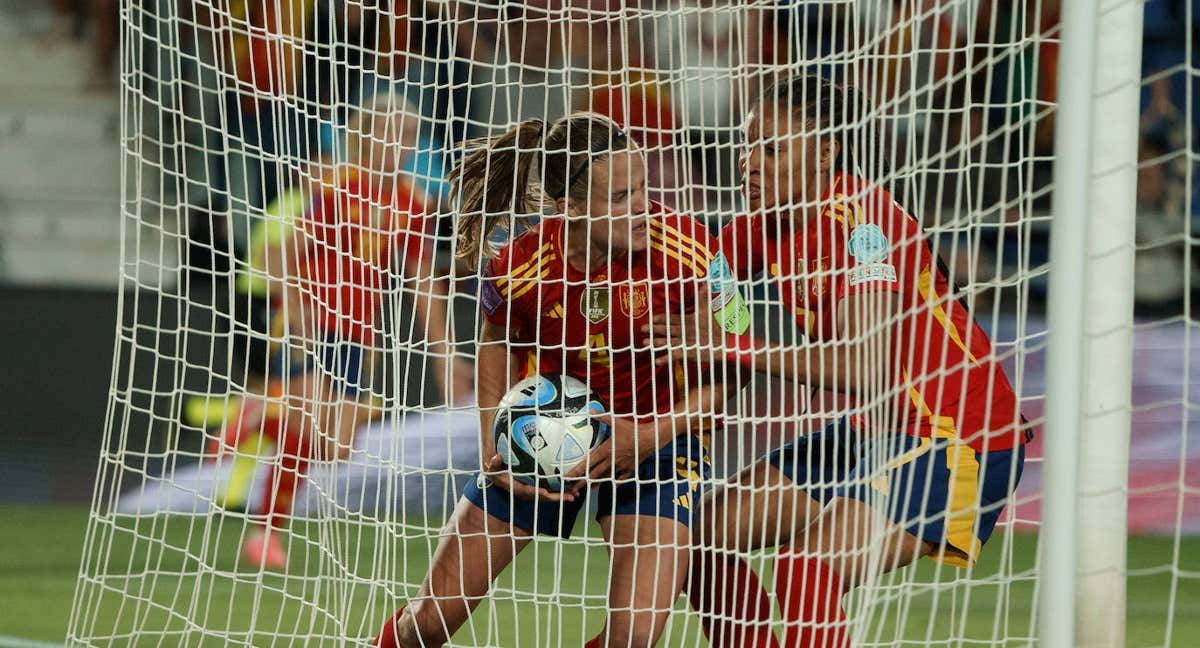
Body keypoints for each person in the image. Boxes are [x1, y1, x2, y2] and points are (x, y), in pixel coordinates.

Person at [649, 74, 1030, 647]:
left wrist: (735, 346)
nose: (749, 162)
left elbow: (864, 370)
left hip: (959, 436)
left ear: (825, 150)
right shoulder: (745, 233)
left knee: (807, 567)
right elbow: (720, 332)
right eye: (746, 145)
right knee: (700, 541)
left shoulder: (865, 227)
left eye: (771, 148)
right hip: (870, 432)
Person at [375, 112, 743, 648]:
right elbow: (495, 339)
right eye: (620, 197)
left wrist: (646, 437)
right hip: (545, 431)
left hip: (660, 437)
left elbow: (740, 364)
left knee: (632, 642)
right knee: (427, 623)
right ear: (570, 208)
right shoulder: (518, 264)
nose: (643, 206)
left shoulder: (696, 252)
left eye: (643, 186)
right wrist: (491, 444)